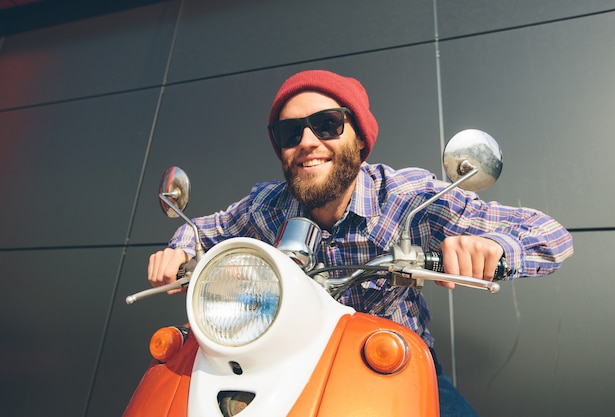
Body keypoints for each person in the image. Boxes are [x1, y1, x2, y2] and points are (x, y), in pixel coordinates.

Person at [147, 69, 574, 416]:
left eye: (327, 124)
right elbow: (206, 227)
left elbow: (550, 234)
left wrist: (495, 248)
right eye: (290, 132)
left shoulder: (411, 199)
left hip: (391, 360)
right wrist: (181, 249)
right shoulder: (269, 204)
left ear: (360, 139)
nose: (308, 142)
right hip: (287, 357)